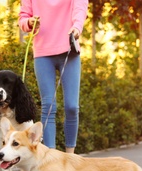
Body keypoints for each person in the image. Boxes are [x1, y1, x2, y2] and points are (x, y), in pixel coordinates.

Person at [18, 0, 89, 154]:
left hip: (69, 51)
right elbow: (23, 19)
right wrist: (29, 22)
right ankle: (50, 157)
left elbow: (80, 9)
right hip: (43, 54)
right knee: (48, 106)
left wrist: (77, 27)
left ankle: (70, 156)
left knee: (72, 107)